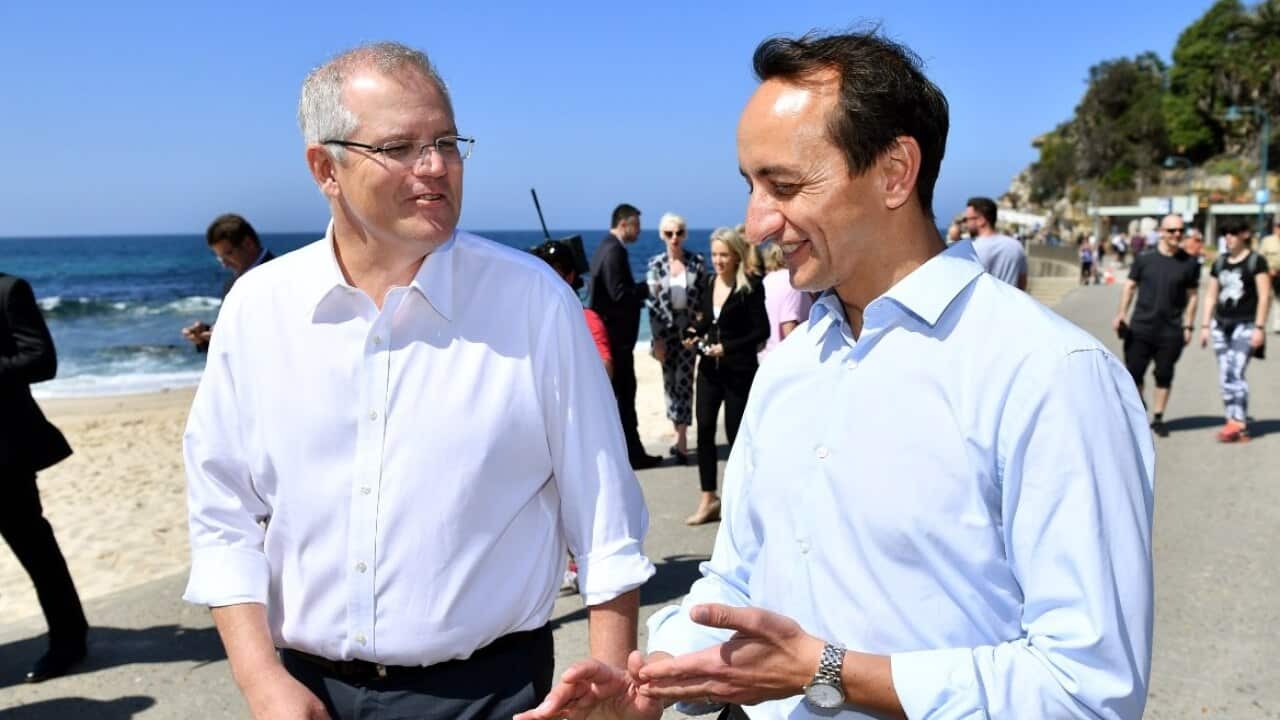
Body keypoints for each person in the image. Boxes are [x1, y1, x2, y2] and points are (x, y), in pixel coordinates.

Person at [520, 29, 1153, 720]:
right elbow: (735, 581)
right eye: (751, 186)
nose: (756, 223)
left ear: (894, 173)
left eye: (784, 185)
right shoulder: (791, 366)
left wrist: (830, 672)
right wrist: (661, 683)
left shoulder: (1049, 373)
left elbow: (1088, 687)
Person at [183, 41, 654, 720]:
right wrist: (261, 680)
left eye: (446, 142)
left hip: (489, 695)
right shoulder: (258, 310)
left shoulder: (532, 302)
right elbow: (223, 511)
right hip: (303, 694)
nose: (435, 168)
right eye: (400, 147)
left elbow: (606, 518)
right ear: (327, 168)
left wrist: (610, 681)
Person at [0, 272, 88, 683]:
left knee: (34, 548)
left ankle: (69, 640)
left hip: (5, 450)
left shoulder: (8, 290)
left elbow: (41, 360)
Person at [683, 227, 768, 526]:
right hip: (708, 371)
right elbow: (706, 320)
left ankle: (742, 501)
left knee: (736, 436)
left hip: (739, 372)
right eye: (714, 254)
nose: (717, 261)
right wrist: (693, 333)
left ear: (736, 256)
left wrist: (727, 348)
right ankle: (709, 498)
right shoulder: (708, 283)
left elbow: (762, 332)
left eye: (723, 255)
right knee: (704, 431)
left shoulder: (751, 286)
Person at [1111, 214, 1200, 437]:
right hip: (1140, 327)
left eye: (1180, 230)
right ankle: (1138, 409)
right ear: (1161, 231)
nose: (1177, 234)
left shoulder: (1189, 263)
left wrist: (1189, 326)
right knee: (1134, 374)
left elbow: (1193, 296)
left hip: (1171, 330)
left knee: (1164, 374)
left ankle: (1158, 417)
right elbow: (1130, 287)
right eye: (1172, 230)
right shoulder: (1144, 259)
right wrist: (1121, 314)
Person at [590, 204, 663, 469]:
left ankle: (628, 453)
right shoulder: (614, 250)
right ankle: (633, 454)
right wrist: (646, 289)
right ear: (625, 224)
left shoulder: (605, 248)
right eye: (637, 226)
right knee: (625, 398)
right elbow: (618, 294)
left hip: (613, 340)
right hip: (617, 341)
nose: (640, 232)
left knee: (619, 398)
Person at [1198, 220, 1272, 443]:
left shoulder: (1255, 261)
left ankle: (1238, 423)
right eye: (1225, 233)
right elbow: (1211, 295)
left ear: (1244, 235)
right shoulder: (1220, 262)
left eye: (1233, 233)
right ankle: (1232, 418)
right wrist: (1204, 326)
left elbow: (1264, 296)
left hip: (1246, 324)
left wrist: (1260, 327)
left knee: (1235, 372)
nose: (1228, 237)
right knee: (1225, 374)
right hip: (1221, 325)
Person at [645, 213, 706, 465]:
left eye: (679, 232)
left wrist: (699, 328)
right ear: (662, 235)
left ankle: (682, 441)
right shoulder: (654, 264)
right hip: (664, 334)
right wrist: (656, 340)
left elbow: (704, 299)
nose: (674, 238)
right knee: (669, 385)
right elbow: (651, 305)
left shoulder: (697, 262)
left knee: (684, 383)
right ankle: (677, 432)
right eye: (669, 233)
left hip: (688, 333)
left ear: (685, 234)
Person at [181, 214, 274, 352]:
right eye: (219, 257)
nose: (224, 264)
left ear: (248, 244)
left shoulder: (280, 275)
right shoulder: (231, 284)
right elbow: (231, 331)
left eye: (228, 254)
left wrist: (226, 339)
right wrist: (205, 336)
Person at [533, 239, 613, 378]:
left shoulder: (587, 319)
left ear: (570, 276)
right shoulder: (532, 318)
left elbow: (605, 367)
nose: (545, 280)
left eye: (552, 274)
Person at [758, 241, 812, 359]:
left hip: (765, 355)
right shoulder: (792, 283)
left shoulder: (766, 280)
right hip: (784, 357)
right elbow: (789, 327)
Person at [962, 196, 1028, 289]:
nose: (965, 223)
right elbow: (1022, 282)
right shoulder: (1016, 246)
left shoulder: (973, 250)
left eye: (967, 219)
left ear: (981, 220)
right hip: (1010, 302)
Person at [1258, 218, 1280, 332]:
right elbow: (1261, 258)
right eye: (1278, 227)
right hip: (1269, 274)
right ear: (1275, 228)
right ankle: (1261, 323)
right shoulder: (1267, 241)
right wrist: (1268, 269)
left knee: (1279, 300)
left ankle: (1278, 325)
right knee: (1267, 298)